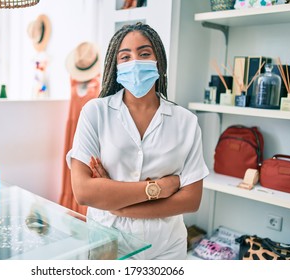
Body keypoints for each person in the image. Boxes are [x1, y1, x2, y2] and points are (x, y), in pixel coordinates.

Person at [66, 22, 209, 260]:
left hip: (167, 247)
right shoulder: (95, 112)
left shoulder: (186, 122)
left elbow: (191, 200)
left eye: (144, 53)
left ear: (158, 61)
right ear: (115, 65)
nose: (135, 62)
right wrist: (159, 188)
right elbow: (83, 192)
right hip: (109, 242)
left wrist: (118, 204)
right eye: (125, 57)